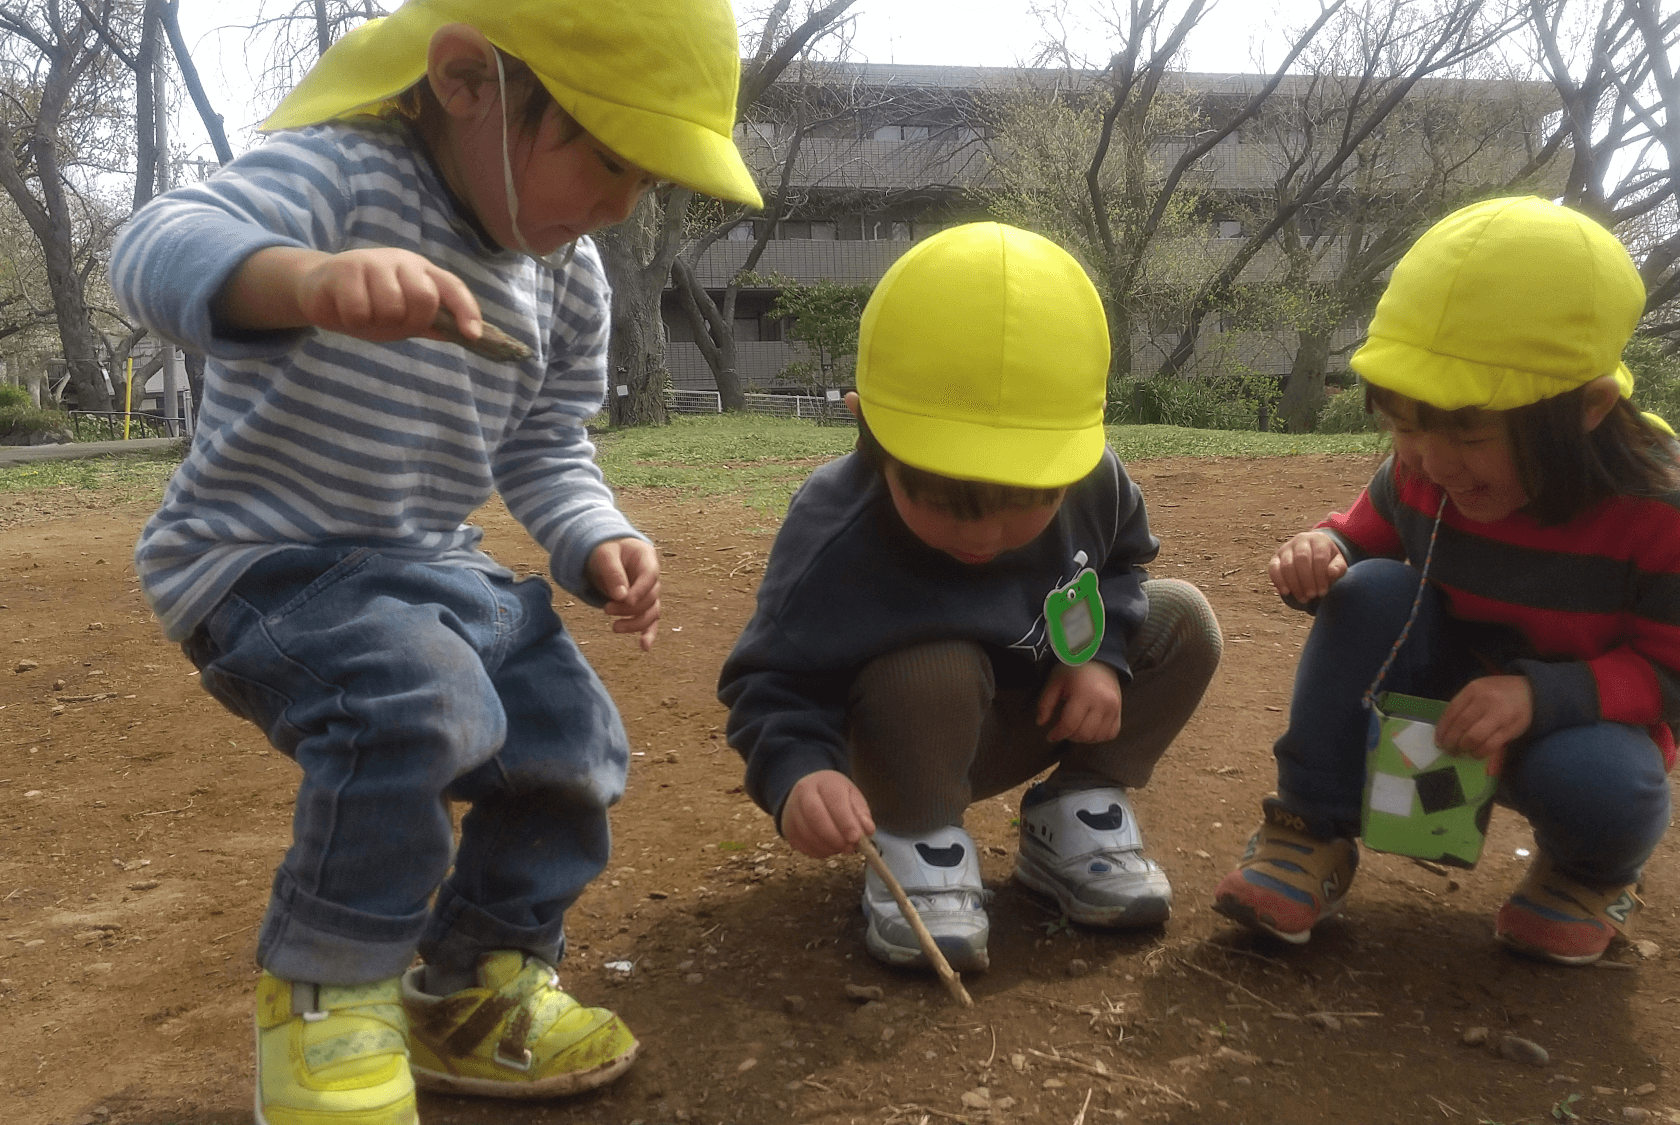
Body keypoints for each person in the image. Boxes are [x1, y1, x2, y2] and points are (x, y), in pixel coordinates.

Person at [109, 1, 762, 1120]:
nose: (616, 203)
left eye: (644, 182)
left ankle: (473, 984)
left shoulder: (568, 275)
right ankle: (326, 1001)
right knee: (414, 704)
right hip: (266, 559)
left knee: (570, 736)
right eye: (603, 159)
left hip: (430, 570)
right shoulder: (337, 175)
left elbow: (548, 442)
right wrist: (304, 279)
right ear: (466, 81)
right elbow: (152, 248)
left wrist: (595, 534)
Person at [1211, 196, 1680, 966]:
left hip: (1572, 728)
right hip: (1437, 704)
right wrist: (1321, 550)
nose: (1431, 460)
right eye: (1405, 425)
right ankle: (1308, 829)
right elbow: (1360, 535)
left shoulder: (1679, 517)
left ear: (1590, 406)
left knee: (1606, 784)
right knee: (1370, 592)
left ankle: (1588, 876)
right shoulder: (1426, 471)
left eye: (1469, 432)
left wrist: (1537, 698)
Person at [719, 222, 1222, 973]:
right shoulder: (834, 531)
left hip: (1039, 705)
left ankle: (1074, 813)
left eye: (1026, 497)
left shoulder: (1093, 480)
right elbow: (770, 679)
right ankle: (919, 838)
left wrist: (1101, 656)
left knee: (1185, 620)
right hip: (903, 735)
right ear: (870, 434)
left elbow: (1122, 563)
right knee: (933, 665)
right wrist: (800, 772)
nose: (985, 532)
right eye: (946, 495)